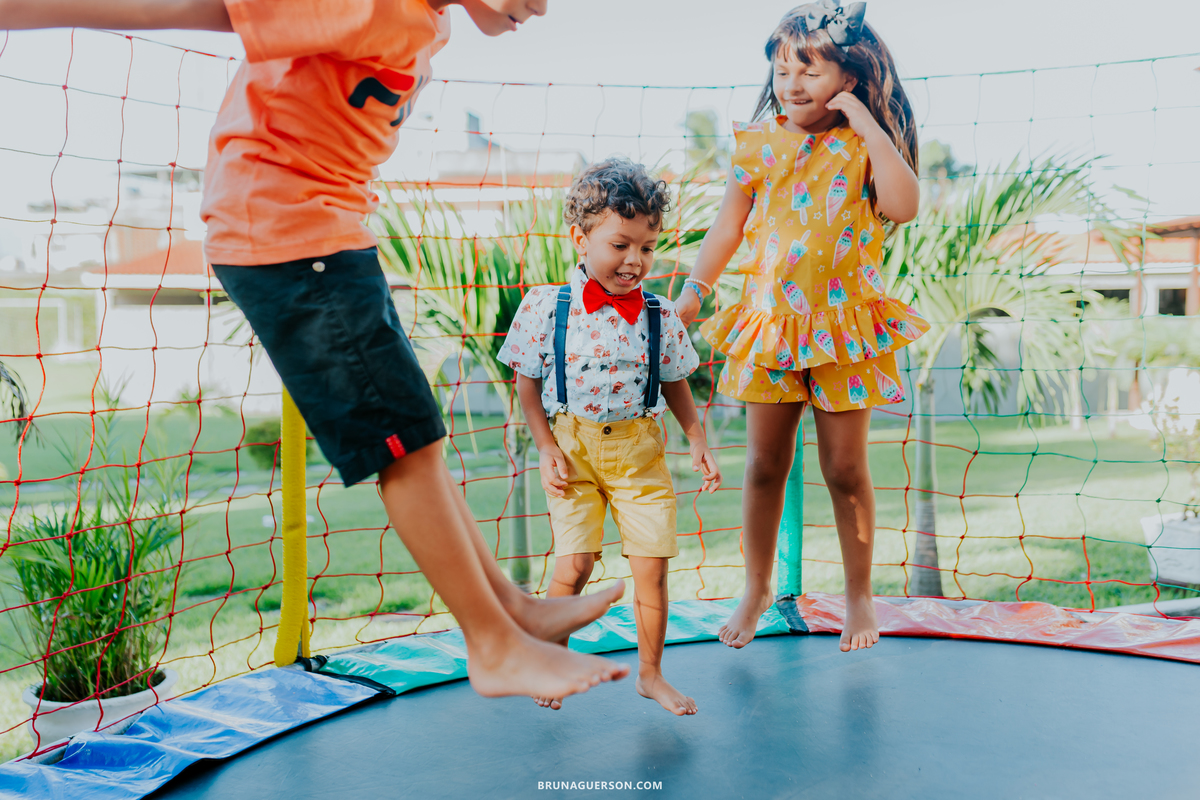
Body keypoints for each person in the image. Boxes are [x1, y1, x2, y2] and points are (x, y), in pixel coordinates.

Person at [5, 0, 633, 703]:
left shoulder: (427, 22)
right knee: (396, 444)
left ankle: (511, 613)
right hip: (284, 237)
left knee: (416, 436)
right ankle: (492, 646)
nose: (541, 6)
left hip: (328, 235)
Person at [674, 1, 928, 653]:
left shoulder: (863, 146)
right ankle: (756, 588)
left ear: (847, 76)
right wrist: (695, 293)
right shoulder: (757, 144)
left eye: (809, 70)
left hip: (846, 329)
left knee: (845, 469)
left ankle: (859, 596)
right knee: (763, 465)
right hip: (771, 328)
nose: (791, 83)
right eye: (783, 69)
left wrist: (866, 121)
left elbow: (903, 206)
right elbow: (727, 227)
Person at [501, 158, 721, 715]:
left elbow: (674, 381)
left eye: (647, 248)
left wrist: (696, 437)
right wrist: (546, 446)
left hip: (640, 455)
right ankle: (550, 663)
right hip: (571, 451)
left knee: (652, 566)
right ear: (580, 237)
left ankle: (651, 675)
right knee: (574, 565)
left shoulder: (659, 312)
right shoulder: (545, 306)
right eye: (620, 245)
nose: (635, 261)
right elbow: (527, 384)